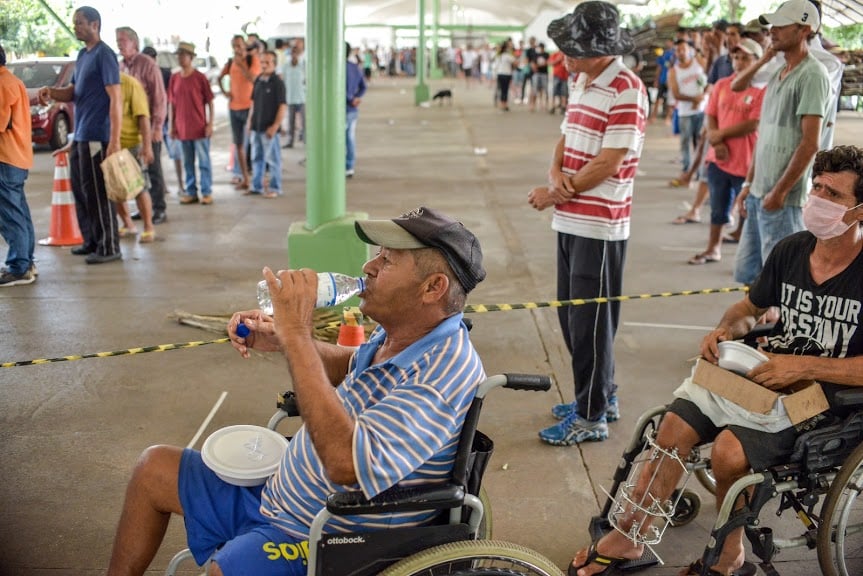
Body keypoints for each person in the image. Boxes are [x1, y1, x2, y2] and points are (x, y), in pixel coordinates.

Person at [105, 206, 487, 576]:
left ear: (433, 287)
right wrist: (280, 340)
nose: (368, 267)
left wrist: (298, 335)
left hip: (331, 531)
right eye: (378, 255)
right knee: (152, 469)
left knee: (229, 569)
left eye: (387, 261)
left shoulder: (440, 375)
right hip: (279, 493)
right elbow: (350, 364)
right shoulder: (401, 331)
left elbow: (346, 464)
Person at [568, 144, 863, 576]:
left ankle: (731, 557)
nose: (817, 199)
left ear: (858, 211)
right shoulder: (792, 250)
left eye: (832, 195)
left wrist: (802, 367)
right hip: (768, 378)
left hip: (827, 401)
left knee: (728, 451)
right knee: (672, 425)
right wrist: (726, 331)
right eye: (816, 187)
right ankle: (632, 535)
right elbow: (747, 310)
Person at [529, 1, 648, 445]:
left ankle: (591, 415)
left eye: (572, 50)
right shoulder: (582, 81)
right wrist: (555, 175)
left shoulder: (627, 89)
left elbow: (611, 161)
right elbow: (565, 136)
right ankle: (600, 394)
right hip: (570, 218)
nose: (565, 58)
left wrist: (558, 190)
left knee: (591, 322)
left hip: (599, 225)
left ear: (600, 50)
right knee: (572, 315)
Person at [732, 0, 830, 286]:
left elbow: (810, 143)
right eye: (772, 26)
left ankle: (775, 329)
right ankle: (759, 329)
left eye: (780, 26)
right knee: (751, 275)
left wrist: (779, 191)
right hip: (760, 191)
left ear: (804, 30)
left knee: (782, 280)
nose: (772, 31)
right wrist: (749, 184)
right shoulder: (778, 72)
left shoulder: (812, 75)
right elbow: (764, 137)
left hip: (782, 199)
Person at [38, 5, 122, 265]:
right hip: (82, 134)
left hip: (99, 135)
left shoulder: (104, 55)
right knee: (83, 191)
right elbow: (73, 92)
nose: (75, 27)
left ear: (95, 24)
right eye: (74, 23)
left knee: (98, 193)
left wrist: (115, 140)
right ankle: (92, 241)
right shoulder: (82, 56)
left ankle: (108, 247)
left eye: (79, 23)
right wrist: (51, 91)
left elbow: (116, 99)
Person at [687, 39, 765, 266]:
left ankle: (747, 258)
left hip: (746, 161)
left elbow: (753, 123)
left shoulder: (760, 90)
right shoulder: (722, 85)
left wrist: (720, 135)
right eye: (736, 58)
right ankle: (713, 248)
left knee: (747, 210)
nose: (739, 63)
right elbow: (710, 114)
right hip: (719, 158)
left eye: (745, 58)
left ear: (757, 62)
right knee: (718, 206)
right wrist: (715, 139)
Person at [117, 27, 168, 226]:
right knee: (134, 171)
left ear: (134, 42)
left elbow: (159, 98)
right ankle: (142, 207)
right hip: (129, 131)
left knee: (153, 168)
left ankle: (159, 208)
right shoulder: (120, 67)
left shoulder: (146, 64)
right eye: (117, 40)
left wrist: (157, 127)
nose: (120, 44)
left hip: (149, 127)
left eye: (123, 40)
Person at [0, 42, 37, 286]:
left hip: (5, 157)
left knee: (11, 215)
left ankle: (19, 266)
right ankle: (26, 262)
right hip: (17, 157)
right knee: (19, 213)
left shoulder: (3, 84)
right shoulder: (12, 81)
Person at [168, 42, 215, 205]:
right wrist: (172, 126)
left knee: (203, 162)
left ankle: (207, 192)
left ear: (191, 57)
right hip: (182, 129)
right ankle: (191, 191)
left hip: (200, 128)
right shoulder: (174, 78)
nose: (180, 58)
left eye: (183, 55)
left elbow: (210, 102)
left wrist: (210, 124)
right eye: (179, 55)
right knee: (188, 163)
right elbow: (171, 104)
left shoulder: (200, 78)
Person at [113, 73, 156, 242]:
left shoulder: (130, 84)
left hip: (132, 145)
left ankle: (148, 227)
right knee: (116, 190)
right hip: (112, 146)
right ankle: (128, 224)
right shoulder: (103, 85)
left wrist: (147, 146)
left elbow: (143, 117)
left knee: (139, 188)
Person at [218, 35, 260, 191]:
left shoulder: (252, 60)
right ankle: (245, 178)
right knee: (239, 144)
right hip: (234, 108)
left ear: (244, 46)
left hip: (250, 107)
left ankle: (257, 178)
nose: (237, 49)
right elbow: (219, 77)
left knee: (253, 144)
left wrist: (241, 65)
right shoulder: (230, 63)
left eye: (239, 45)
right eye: (234, 46)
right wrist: (225, 92)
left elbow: (254, 80)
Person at [142, 46, 184, 197]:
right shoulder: (141, 75)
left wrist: (173, 122)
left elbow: (171, 100)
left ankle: (181, 185)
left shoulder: (166, 74)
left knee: (176, 154)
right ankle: (163, 187)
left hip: (167, 121)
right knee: (155, 158)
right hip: (151, 123)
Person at [668, 38, 707, 188]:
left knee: (699, 142)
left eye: (684, 49)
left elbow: (710, 81)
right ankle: (686, 170)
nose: (681, 52)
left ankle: (698, 172)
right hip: (684, 112)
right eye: (678, 50)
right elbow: (676, 94)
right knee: (685, 142)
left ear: (690, 50)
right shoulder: (674, 71)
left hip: (701, 110)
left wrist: (701, 98)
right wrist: (693, 99)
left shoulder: (699, 63)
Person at [248, 50, 287, 197]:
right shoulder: (258, 80)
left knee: (273, 159)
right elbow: (253, 103)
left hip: (269, 129)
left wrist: (276, 126)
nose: (264, 65)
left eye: (267, 62)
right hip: (256, 127)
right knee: (256, 158)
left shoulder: (278, 83)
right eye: (262, 62)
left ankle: (275, 188)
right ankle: (256, 186)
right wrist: (249, 123)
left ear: (274, 64)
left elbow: (282, 106)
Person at [346, 42, 367, 179]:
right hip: (352, 109)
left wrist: (350, 98)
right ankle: (349, 166)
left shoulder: (334, 68)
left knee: (340, 139)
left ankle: (343, 164)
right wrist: (356, 98)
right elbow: (363, 86)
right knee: (349, 138)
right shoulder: (354, 67)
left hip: (343, 108)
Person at [282, 43, 306, 149]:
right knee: (290, 122)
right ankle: (290, 141)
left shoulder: (303, 64)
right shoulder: (286, 66)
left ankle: (306, 140)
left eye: (296, 53)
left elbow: (306, 80)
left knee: (304, 121)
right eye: (293, 53)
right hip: (290, 97)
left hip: (302, 97)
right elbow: (284, 81)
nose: (294, 55)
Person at [493, 39, 516, 112]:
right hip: (506, 74)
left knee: (501, 90)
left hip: (500, 74)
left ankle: (502, 104)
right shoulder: (507, 55)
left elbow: (495, 66)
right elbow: (515, 62)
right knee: (505, 90)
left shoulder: (499, 55)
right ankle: (504, 104)